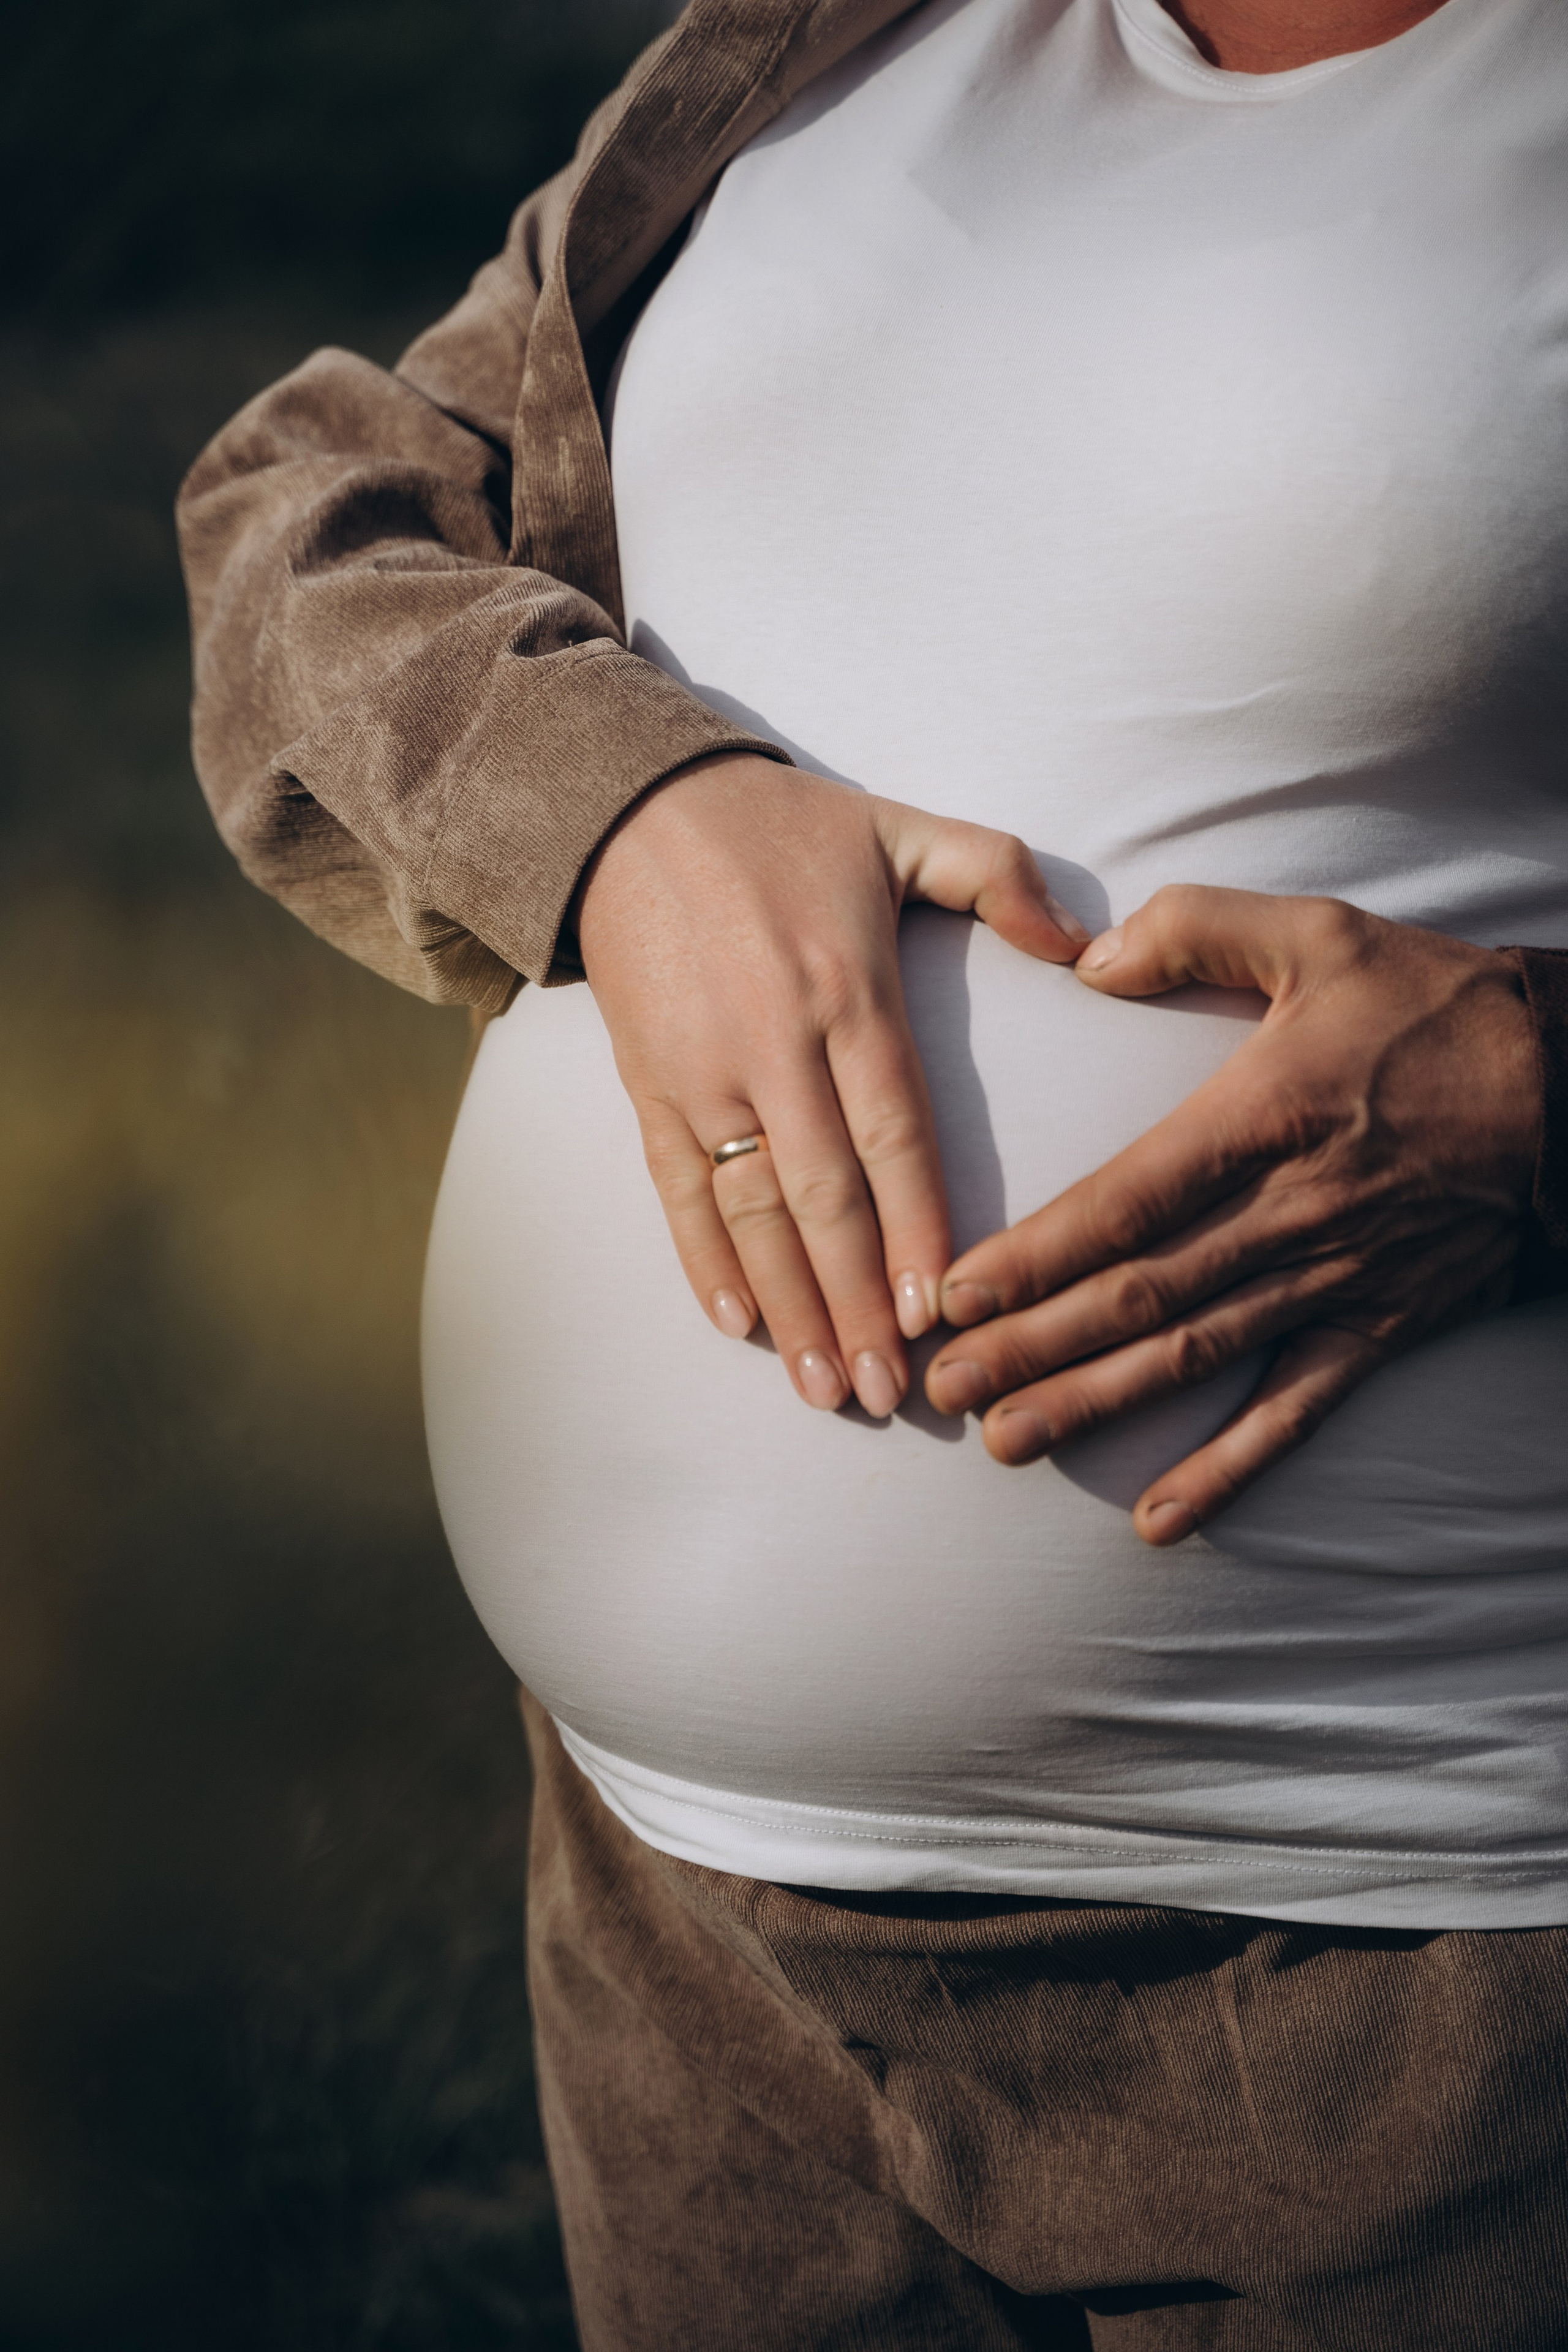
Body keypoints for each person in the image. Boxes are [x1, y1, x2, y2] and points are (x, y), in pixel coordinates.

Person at [178, 0, 1568, 2339]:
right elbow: (309, 507)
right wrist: (613, 803)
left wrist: (1538, 1095)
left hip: (1427, 1992)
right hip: (687, 1964)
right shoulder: (816, 47)